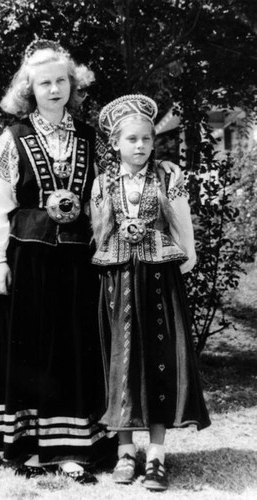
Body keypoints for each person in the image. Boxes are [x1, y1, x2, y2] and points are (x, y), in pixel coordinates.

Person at [0, 40, 181, 483]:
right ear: (29, 88)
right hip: (27, 259)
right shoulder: (14, 137)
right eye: (45, 83)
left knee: (72, 350)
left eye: (62, 81)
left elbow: (124, 177)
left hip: (79, 262)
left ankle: (72, 448)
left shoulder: (89, 136)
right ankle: (28, 450)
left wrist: (165, 169)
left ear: (72, 86)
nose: (54, 89)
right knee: (30, 350)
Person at [91, 94, 211, 491]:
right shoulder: (103, 182)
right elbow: (99, 232)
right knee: (122, 360)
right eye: (131, 140)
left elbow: (181, 221)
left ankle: (156, 457)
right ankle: (126, 453)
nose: (140, 146)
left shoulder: (167, 176)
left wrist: (186, 257)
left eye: (146, 138)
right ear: (115, 144)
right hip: (120, 279)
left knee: (160, 358)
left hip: (159, 278)